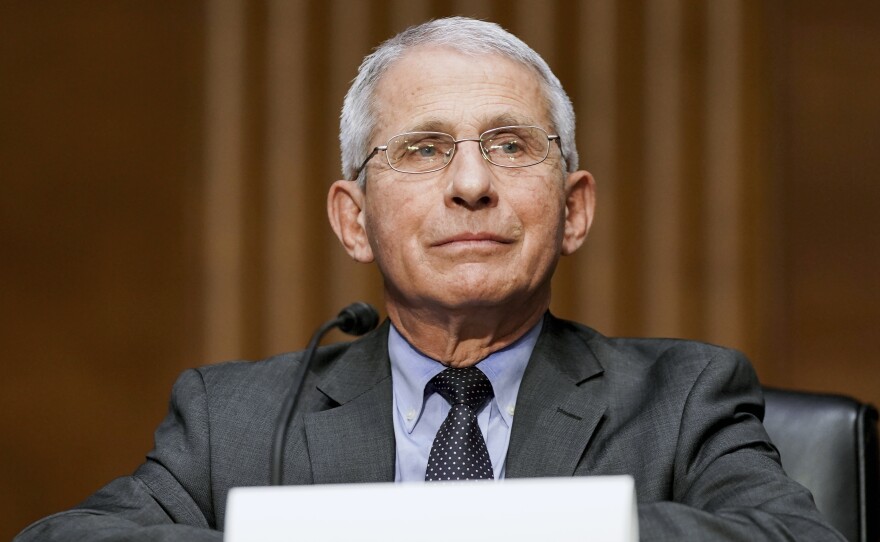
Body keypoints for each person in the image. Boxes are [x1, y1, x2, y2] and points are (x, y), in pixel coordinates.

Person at [16, 17, 844, 542]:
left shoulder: (684, 396)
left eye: (511, 145)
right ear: (354, 220)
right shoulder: (233, 418)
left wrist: (521, 531)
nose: (471, 184)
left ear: (573, 210)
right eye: (423, 149)